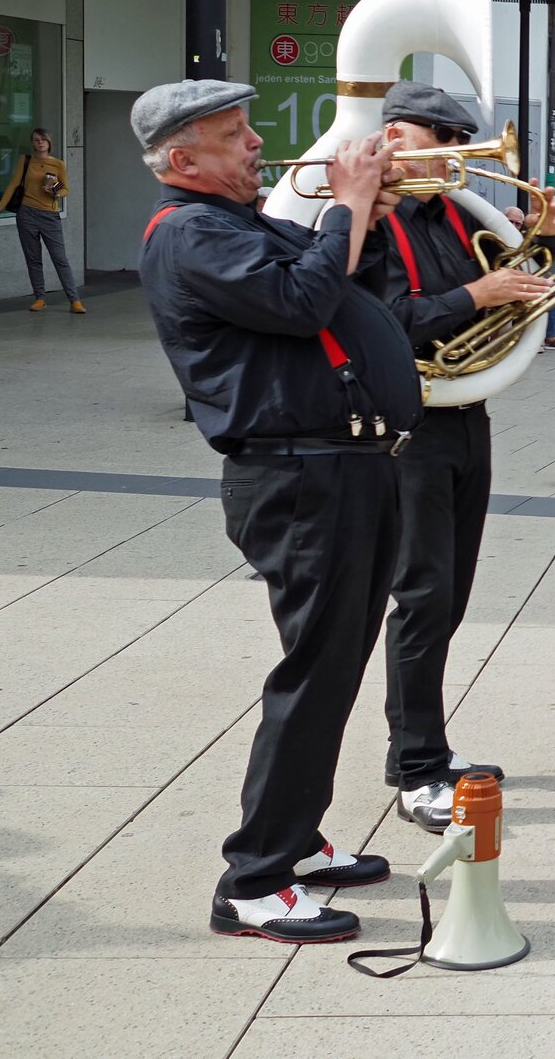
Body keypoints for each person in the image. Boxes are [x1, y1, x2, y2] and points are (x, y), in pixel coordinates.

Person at [133, 79, 416, 944]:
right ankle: (253, 880)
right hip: (300, 478)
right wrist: (347, 203)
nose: (257, 143)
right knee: (315, 673)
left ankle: (296, 838)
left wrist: (363, 215)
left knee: (334, 666)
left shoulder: (235, 222)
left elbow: (328, 287)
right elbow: (300, 302)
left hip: (340, 467)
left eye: (249, 129)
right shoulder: (189, 233)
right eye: (232, 135)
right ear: (182, 161)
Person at [371, 83, 555, 830]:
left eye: (460, 139)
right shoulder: (368, 220)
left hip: (465, 416)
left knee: (449, 595)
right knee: (421, 596)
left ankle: (422, 746)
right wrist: (476, 295)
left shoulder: (454, 214)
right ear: (392, 137)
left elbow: (514, 287)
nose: (455, 153)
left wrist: (539, 239)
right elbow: (385, 322)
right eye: (440, 137)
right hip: (409, 427)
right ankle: (415, 766)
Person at [0, 128, 85, 313]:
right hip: (27, 214)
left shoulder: (58, 164)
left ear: (49, 142)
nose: (39, 142)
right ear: (32, 143)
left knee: (60, 258)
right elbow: (13, 184)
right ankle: (40, 297)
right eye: (35, 140)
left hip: (49, 215)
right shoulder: (25, 161)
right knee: (33, 259)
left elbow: (66, 189)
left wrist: (55, 192)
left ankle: (75, 300)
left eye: (43, 139)